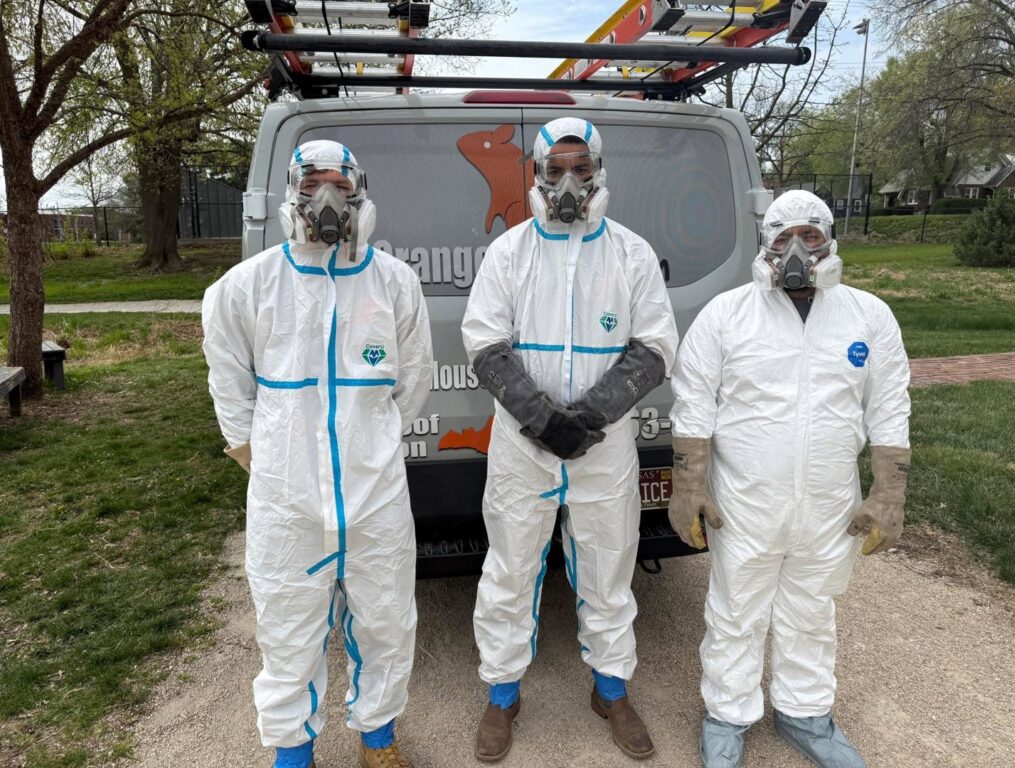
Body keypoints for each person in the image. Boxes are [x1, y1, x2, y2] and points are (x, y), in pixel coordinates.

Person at [202, 139, 433, 768]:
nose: (326, 200)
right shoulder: (245, 288)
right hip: (287, 501)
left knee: (386, 622)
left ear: (360, 190)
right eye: (311, 186)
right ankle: (292, 752)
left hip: (375, 496)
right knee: (287, 631)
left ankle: (378, 741)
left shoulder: (394, 283)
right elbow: (230, 384)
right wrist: (262, 460)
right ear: (291, 195)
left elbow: (411, 385)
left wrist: (372, 450)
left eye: (337, 184)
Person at [668, 190, 912, 768]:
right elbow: (693, 402)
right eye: (782, 239)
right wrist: (690, 486)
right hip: (745, 502)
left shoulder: (867, 315)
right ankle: (727, 714)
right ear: (765, 245)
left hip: (829, 502)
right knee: (735, 610)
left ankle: (805, 713)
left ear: (831, 241)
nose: (797, 251)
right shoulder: (727, 315)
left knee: (812, 609)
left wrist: (889, 491)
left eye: (810, 237)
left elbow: (889, 406)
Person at [462, 117, 679, 762]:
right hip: (523, 446)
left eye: (579, 168)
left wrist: (589, 415)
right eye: (554, 169)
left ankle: (610, 690)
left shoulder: (631, 253)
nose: (566, 181)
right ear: (534, 174)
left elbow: (655, 345)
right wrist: (540, 416)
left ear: (598, 173)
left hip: (603, 443)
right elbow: (484, 341)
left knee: (609, 567)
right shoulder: (510, 252)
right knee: (510, 568)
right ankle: (502, 697)